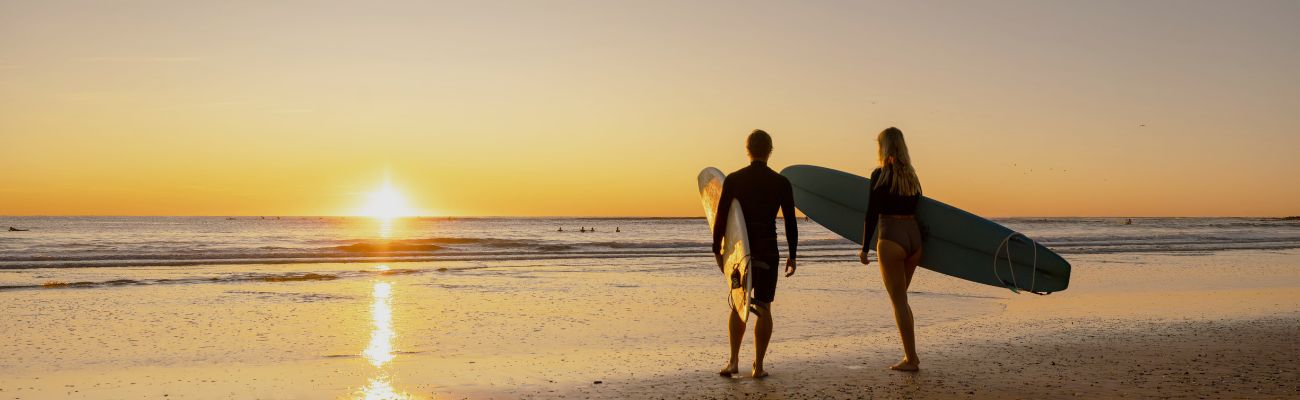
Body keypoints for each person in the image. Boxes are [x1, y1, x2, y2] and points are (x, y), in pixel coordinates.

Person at [712, 129, 798, 378]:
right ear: (770, 151)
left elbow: (721, 218)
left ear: (747, 149)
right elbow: (790, 222)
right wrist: (793, 254)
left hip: (742, 253)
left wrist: (717, 249)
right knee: (764, 307)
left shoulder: (734, 180)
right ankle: (758, 366)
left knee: (738, 303)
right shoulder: (781, 183)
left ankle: (733, 361)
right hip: (768, 250)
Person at [858, 127, 924, 371]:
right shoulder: (912, 177)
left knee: (899, 302)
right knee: (902, 300)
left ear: (883, 147)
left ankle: (911, 359)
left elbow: (871, 213)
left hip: (891, 238)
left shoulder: (880, 175)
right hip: (914, 240)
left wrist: (865, 248)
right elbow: (920, 209)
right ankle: (910, 354)